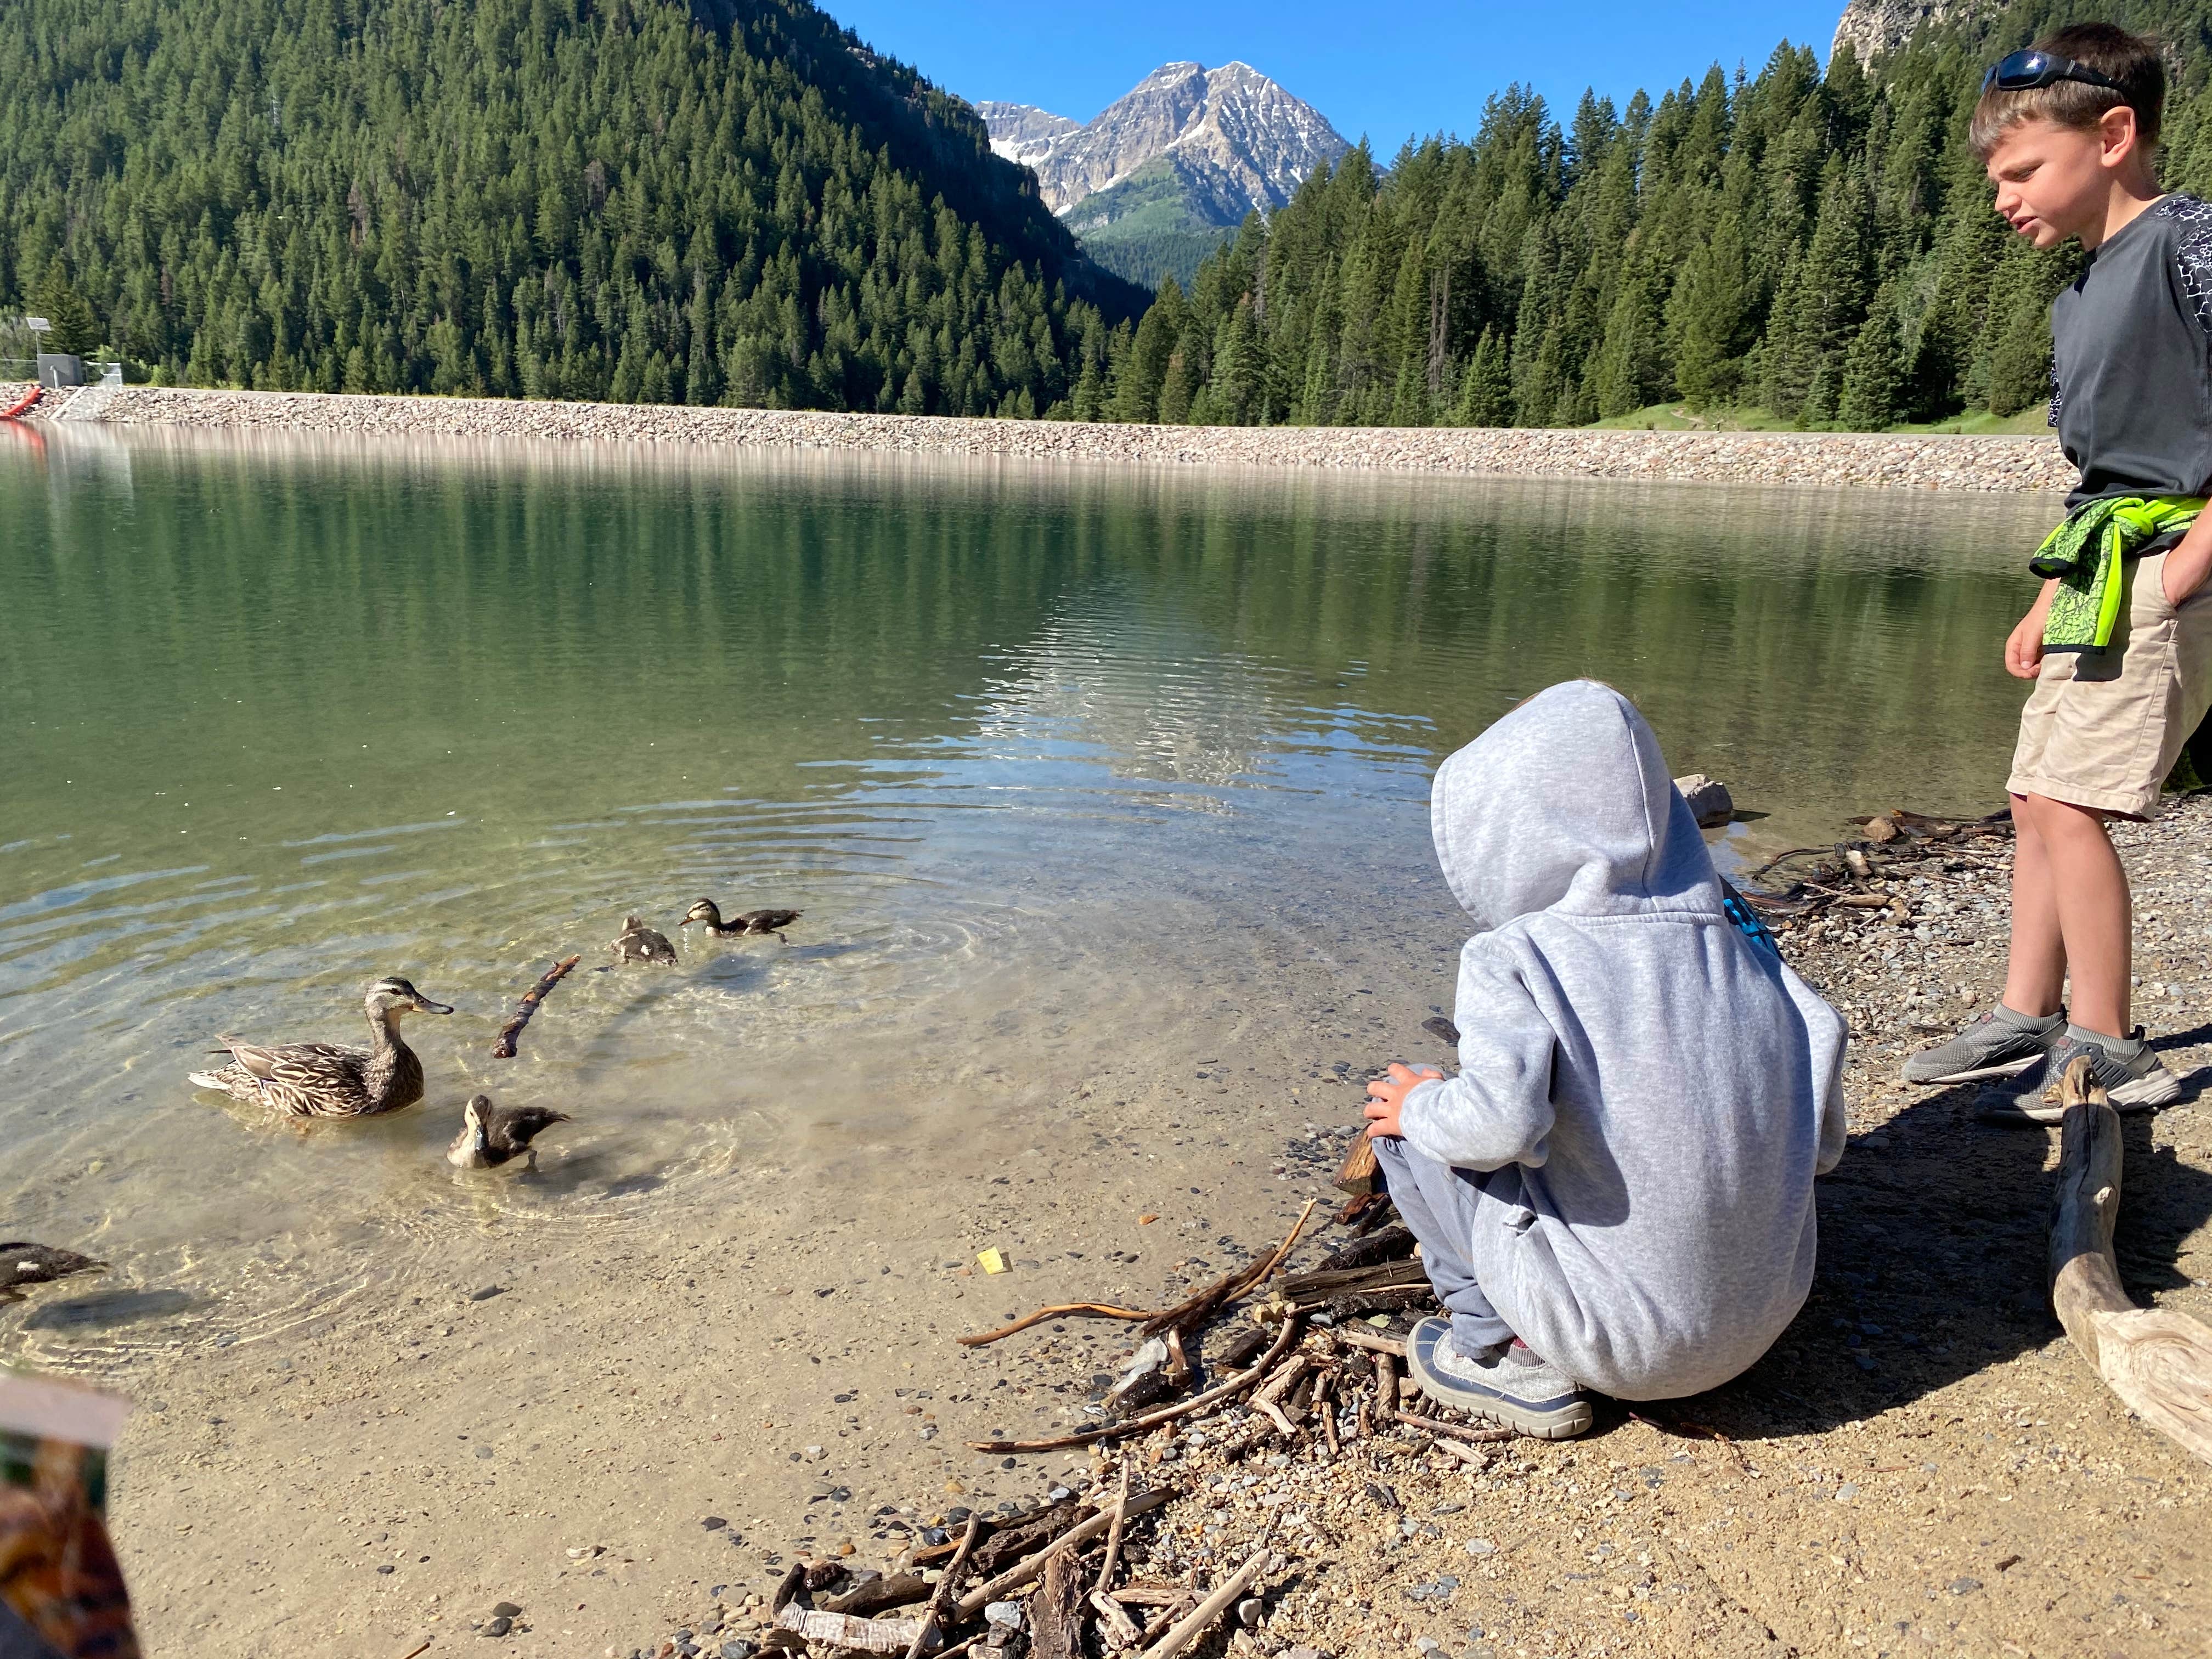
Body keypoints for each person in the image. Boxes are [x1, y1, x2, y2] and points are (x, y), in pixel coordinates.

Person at [1361, 681, 1847, 1436]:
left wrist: (1420, 1105)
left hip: (1616, 1346)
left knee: (1399, 1124)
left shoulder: (1515, 955)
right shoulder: (1745, 942)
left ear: (1512, 824)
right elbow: (1821, 1145)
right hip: (1765, 1318)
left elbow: (1498, 1129)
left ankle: (1496, 1352)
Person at [1904, 24, 2211, 1116]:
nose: (2004, 198)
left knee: (2074, 801)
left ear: (2116, 134)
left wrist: (2190, 568)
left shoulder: (2189, 246)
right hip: (2098, 566)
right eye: (1998, 181)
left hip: (2170, 560)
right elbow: (2096, 477)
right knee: (2034, 794)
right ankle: (2024, 1010)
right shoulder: (2077, 297)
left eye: (2023, 171)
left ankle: (2108, 1037)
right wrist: (2049, 597)